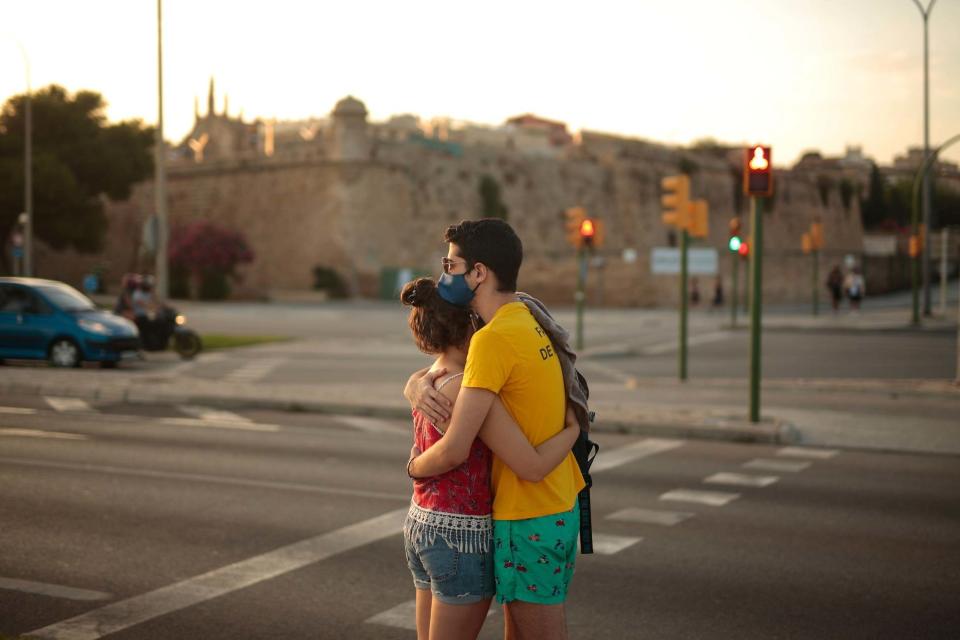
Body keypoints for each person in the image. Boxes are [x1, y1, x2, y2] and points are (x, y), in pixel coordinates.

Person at [406, 219, 586, 639]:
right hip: (560, 502)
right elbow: (459, 377)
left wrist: (413, 468)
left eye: (451, 266)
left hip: (528, 512)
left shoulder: (490, 341)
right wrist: (415, 384)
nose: (443, 275)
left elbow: (456, 448)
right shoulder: (529, 316)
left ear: (479, 273)